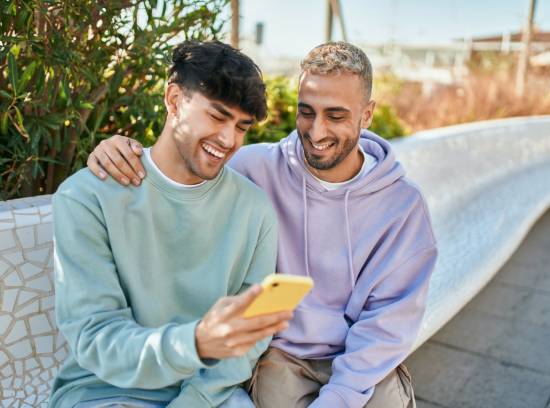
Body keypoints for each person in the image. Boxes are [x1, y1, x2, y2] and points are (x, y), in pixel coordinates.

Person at [87, 41, 438, 408]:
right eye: (306, 112)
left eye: (335, 116)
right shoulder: (253, 170)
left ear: (366, 116)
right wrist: (120, 150)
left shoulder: (402, 206)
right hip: (280, 356)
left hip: (365, 361)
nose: (316, 132)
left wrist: (339, 397)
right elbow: (178, 176)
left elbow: (387, 324)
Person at [50, 40, 293, 408]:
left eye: (242, 126)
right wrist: (193, 343)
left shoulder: (254, 209)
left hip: (209, 397)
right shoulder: (87, 197)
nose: (229, 140)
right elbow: (96, 337)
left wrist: (193, 399)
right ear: (175, 100)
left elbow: (250, 339)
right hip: (106, 393)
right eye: (217, 116)